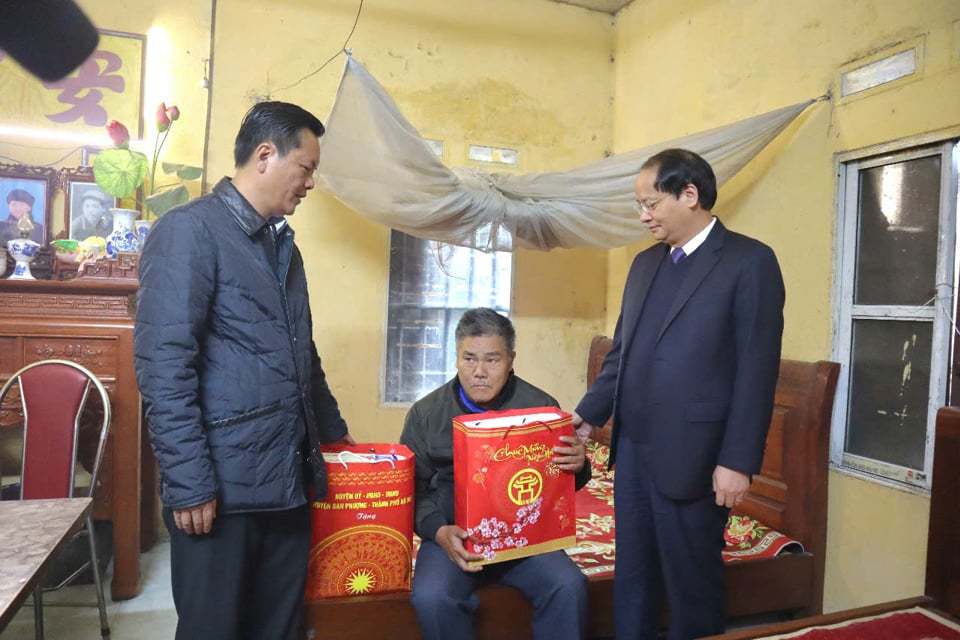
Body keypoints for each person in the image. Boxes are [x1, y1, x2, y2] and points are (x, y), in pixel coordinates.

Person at [134, 101, 354, 640]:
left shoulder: (282, 247)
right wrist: (188, 483)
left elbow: (302, 352)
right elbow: (165, 366)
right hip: (222, 490)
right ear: (264, 155)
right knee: (215, 629)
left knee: (278, 627)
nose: (309, 184)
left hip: (287, 479)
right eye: (305, 168)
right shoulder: (190, 232)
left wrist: (336, 438)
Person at [573, 148, 785, 640]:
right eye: (639, 205)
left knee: (692, 585)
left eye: (651, 203)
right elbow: (622, 354)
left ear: (690, 195)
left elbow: (757, 371)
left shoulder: (747, 261)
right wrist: (588, 417)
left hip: (697, 456)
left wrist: (738, 461)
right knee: (634, 579)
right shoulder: (646, 265)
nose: (643, 215)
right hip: (633, 452)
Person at [400, 307, 591, 640]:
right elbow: (412, 489)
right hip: (454, 538)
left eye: (492, 360)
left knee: (569, 585)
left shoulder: (541, 408)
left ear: (511, 359)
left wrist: (580, 464)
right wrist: (439, 531)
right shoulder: (426, 413)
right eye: (469, 359)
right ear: (456, 358)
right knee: (432, 598)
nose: (479, 372)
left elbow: (560, 484)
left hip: (525, 541)